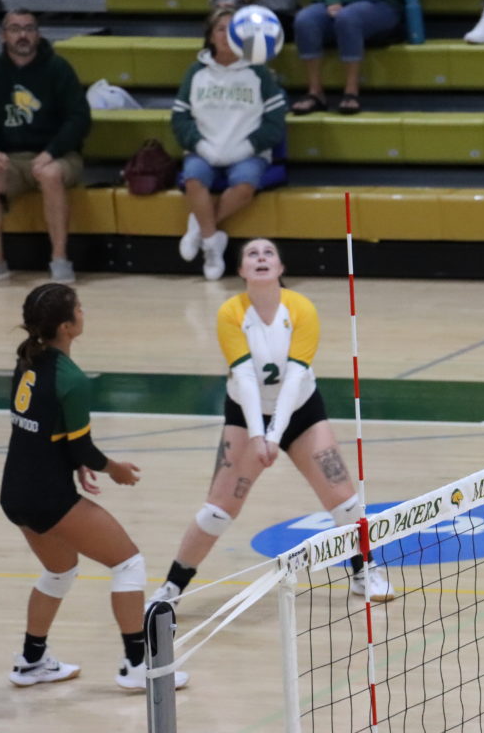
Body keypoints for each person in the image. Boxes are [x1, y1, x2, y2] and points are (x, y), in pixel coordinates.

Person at [148, 238, 395, 606]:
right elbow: (245, 379)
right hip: (246, 415)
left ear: (280, 268)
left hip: (302, 410)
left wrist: (274, 435)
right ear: (241, 270)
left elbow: (295, 378)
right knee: (217, 511)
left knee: (344, 502)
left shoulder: (301, 308)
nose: (261, 257)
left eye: (269, 253)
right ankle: (171, 589)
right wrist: (259, 434)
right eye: (252, 254)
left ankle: (364, 571)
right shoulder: (231, 312)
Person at [0, 283, 188, 691]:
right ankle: (137, 666)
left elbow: (48, 433)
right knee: (128, 564)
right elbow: (80, 444)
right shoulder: (72, 378)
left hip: (15, 492)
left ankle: (31, 661)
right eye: (79, 309)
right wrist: (111, 468)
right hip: (49, 496)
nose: (84, 313)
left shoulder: (27, 360)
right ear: (67, 326)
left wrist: (76, 464)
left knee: (60, 571)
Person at [0, 9, 91, 287]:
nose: (22, 35)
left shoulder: (58, 69)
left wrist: (51, 152)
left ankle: (60, 260)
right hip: (11, 159)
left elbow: (79, 118)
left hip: (59, 155)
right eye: (15, 29)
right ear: (3, 36)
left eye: (29, 28)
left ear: (38, 34)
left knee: (49, 175)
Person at [172, 9, 287, 281]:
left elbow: (275, 122)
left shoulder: (259, 73)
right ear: (210, 36)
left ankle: (200, 226)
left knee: (245, 184)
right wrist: (199, 145)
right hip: (205, 149)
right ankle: (212, 243)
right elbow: (179, 118)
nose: (226, 35)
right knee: (194, 180)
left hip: (246, 151)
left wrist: (248, 147)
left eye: (232, 29)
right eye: (220, 29)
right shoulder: (196, 72)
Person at [288, 0, 424, 116]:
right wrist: (331, 0)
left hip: (380, 3)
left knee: (348, 18)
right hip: (337, 1)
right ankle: (315, 93)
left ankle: (351, 92)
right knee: (306, 19)